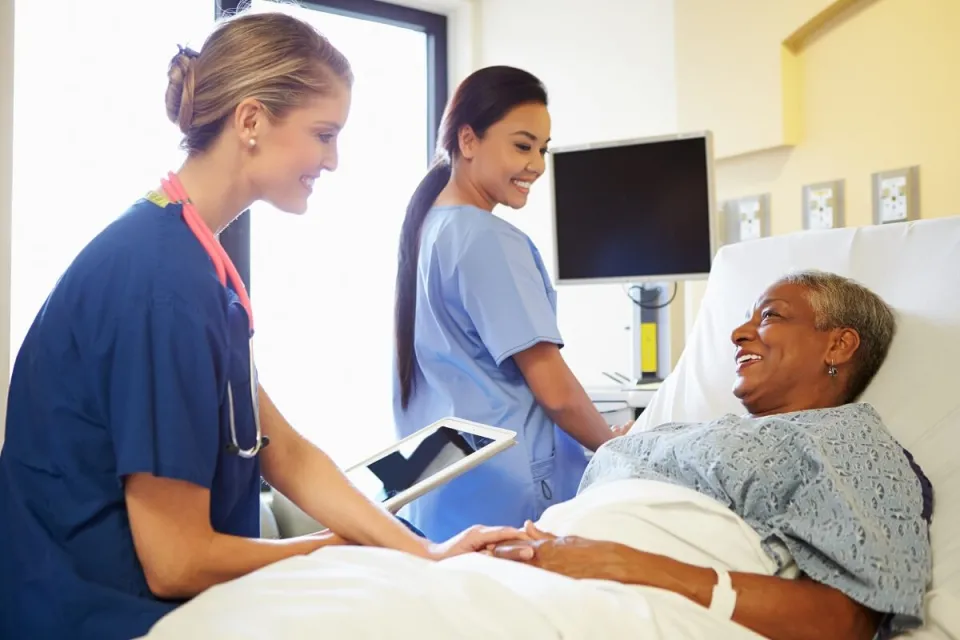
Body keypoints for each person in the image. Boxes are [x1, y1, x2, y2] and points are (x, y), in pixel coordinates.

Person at [0, 12, 524, 640]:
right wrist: (336, 551)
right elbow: (175, 561)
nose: (333, 160)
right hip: (97, 616)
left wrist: (419, 552)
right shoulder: (160, 280)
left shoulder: (194, 259)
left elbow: (285, 451)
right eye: (323, 134)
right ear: (250, 121)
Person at [491, 271, 934, 640]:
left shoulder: (850, 439)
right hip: (533, 571)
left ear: (838, 345)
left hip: (625, 601)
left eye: (771, 316)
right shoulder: (683, 431)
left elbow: (849, 619)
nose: (739, 334)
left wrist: (624, 563)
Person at [392, 65, 628, 541]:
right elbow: (555, 391)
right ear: (468, 140)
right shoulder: (487, 239)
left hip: (438, 486)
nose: (537, 165)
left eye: (542, 149)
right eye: (522, 146)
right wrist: (615, 448)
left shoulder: (429, 231)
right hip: (506, 490)